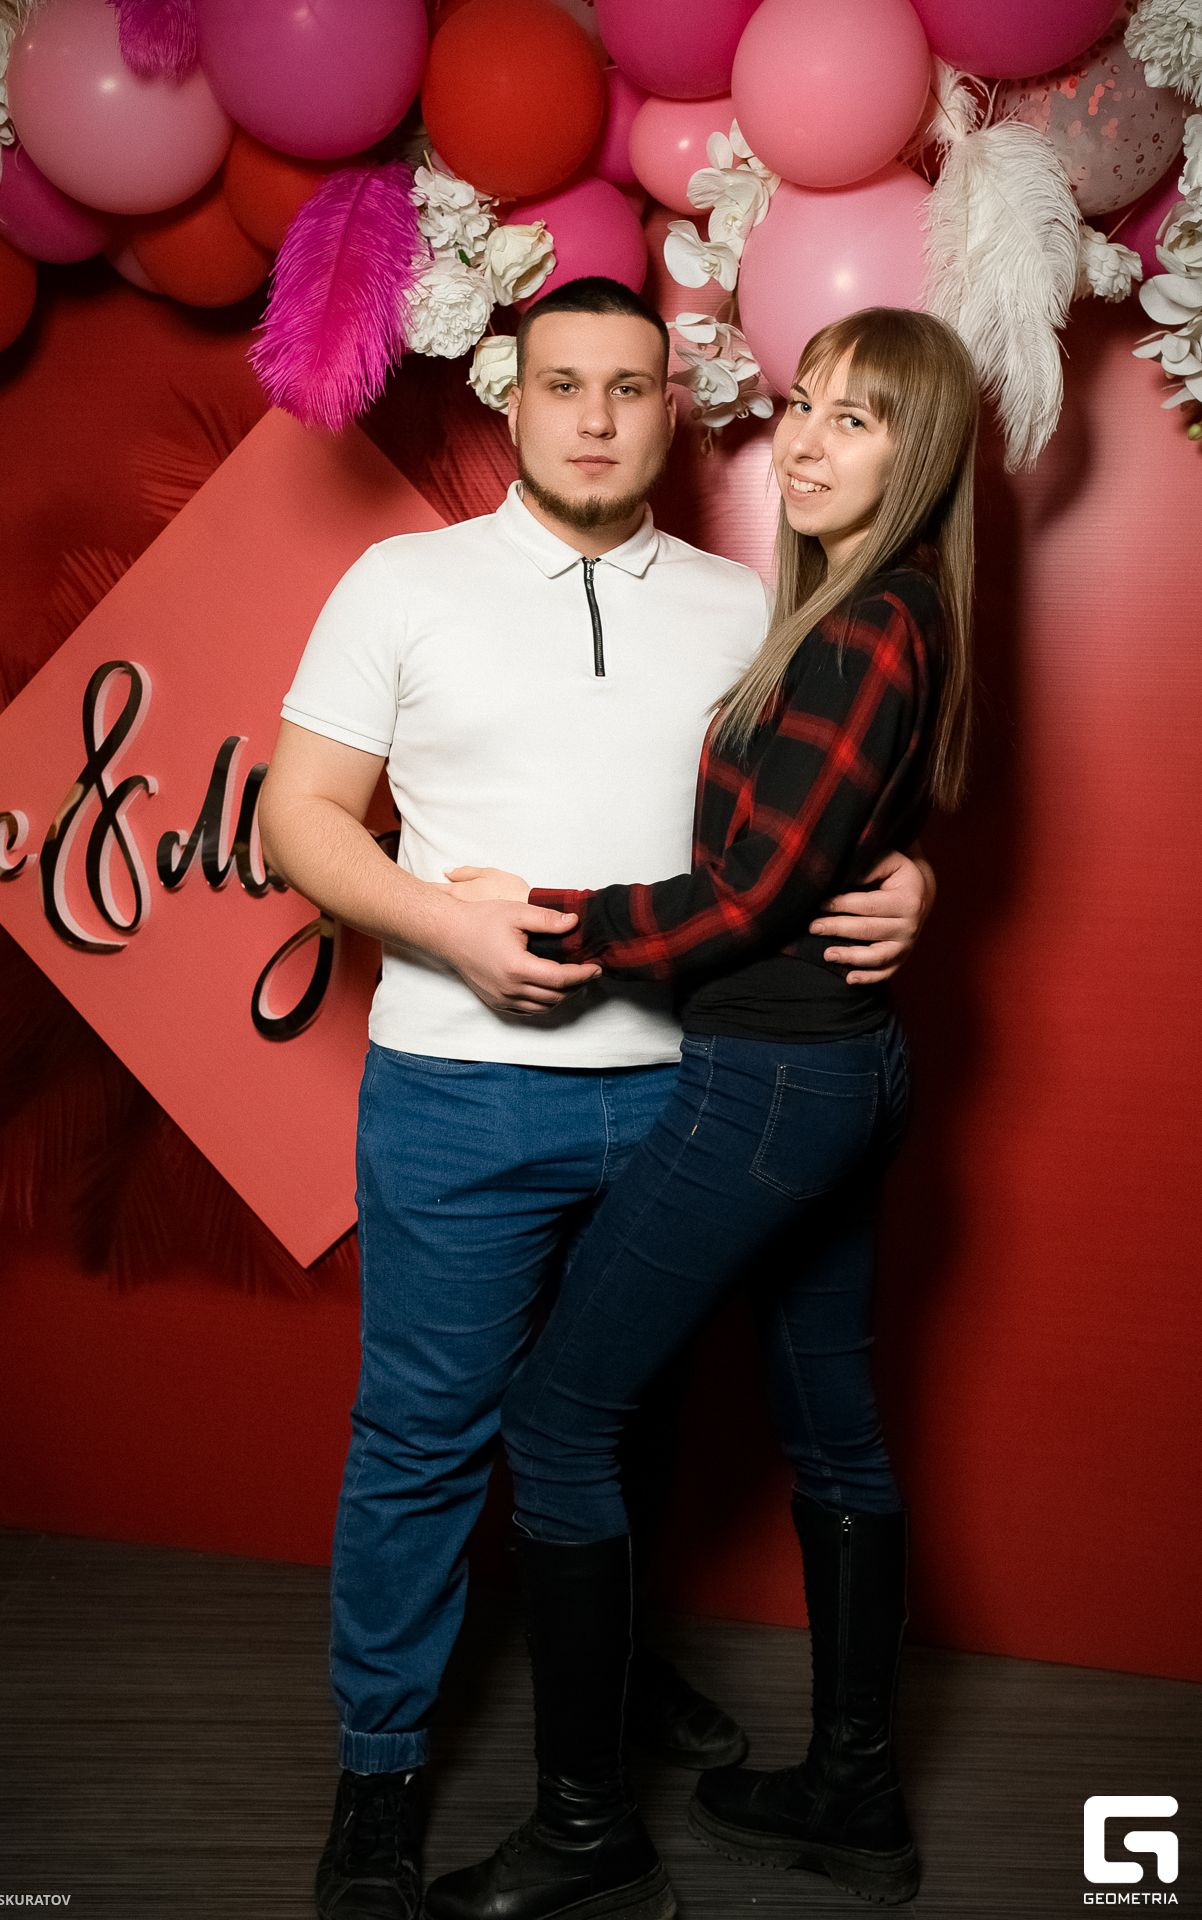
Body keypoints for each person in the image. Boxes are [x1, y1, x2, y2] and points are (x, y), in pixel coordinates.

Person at [257, 279, 934, 1920]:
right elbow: (300, 820)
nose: (597, 416)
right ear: (513, 400)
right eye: (563, 384)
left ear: (674, 412)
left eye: (630, 386)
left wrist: (919, 875)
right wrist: (447, 927)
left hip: (689, 1093)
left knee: (629, 1424)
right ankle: (381, 1768)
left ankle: (611, 1688)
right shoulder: (401, 580)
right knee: (423, 1438)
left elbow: (819, 805)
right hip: (460, 1091)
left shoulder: (746, 599)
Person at [422, 306, 980, 1920]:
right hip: (840, 1068)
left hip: (774, 1084)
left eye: (858, 419)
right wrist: (909, 871)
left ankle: (587, 1838)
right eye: (804, 404)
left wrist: (546, 918)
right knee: (835, 1428)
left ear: (921, 455)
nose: (806, 441)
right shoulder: (867, 616)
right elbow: (825, 850)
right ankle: (852, 1798)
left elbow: (746, 895)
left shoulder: (871, 628)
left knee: (556, 1422)